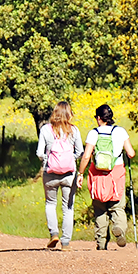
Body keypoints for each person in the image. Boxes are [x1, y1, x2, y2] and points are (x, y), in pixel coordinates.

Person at [80, 104, 134, 250]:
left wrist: (80, 173)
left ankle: (101, 243)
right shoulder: (120, 131)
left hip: (98, 174)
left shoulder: (94, 133)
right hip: (116, 173)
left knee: (100, 209)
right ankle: (119, 228)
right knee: (117, 206)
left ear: (98, 118)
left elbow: (86, 156)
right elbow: (131, 153)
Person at [36, 100, 82, 250]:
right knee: (68, 207)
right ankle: (66, 242)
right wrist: (70, 160)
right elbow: (80, 152)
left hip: (50, 173)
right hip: (69, 175)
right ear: (69, 114)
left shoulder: (45, 130)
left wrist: (47, 161)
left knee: (50, 203)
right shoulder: (74, 130)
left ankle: (54, 233)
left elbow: (39, 153)